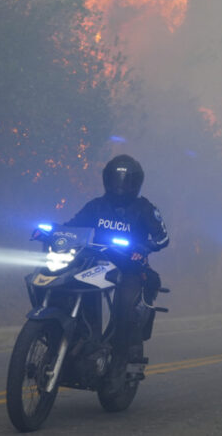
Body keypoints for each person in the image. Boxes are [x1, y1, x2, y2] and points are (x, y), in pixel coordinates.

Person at [64, 154, 168, 383]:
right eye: (115, 179)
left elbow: (163, 239)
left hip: (130, 266)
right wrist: (55, 233)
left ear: (136, 182)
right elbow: (72, 226)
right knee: (64, 287)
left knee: (126, 310)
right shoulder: (96, 205)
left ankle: (127, 360)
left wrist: (145, 246)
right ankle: (78, 343)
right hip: (92, 262)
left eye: (126, 180)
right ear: (106, 180)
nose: (120, 185)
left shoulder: (145, 208)